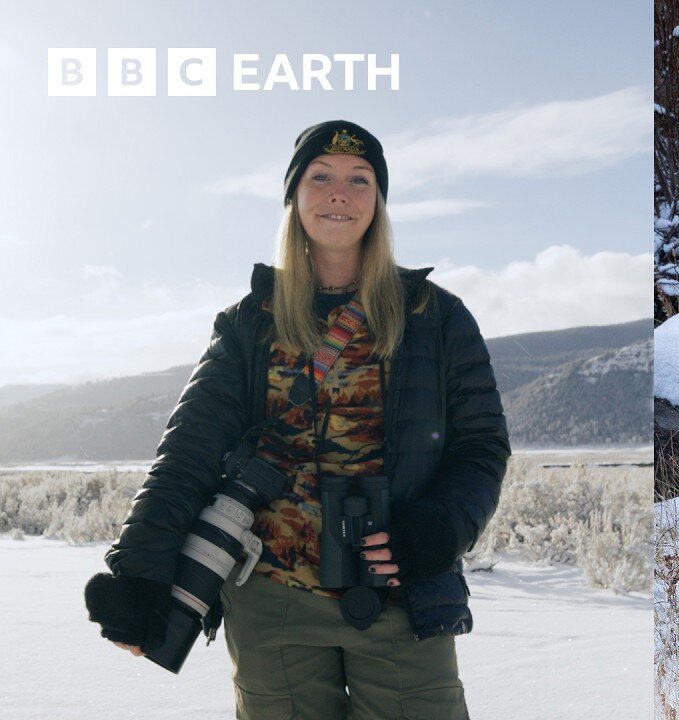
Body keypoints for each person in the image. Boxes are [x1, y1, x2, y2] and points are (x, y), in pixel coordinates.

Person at [83, 120, 509, 719]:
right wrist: (141, 573)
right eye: (321, 177)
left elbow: (482, 446)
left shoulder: (434, 317)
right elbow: (187, 454)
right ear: (295, 197)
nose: (341, 192)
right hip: (272, 605)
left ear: (379, 202)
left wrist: (440, 528)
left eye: (360, 180)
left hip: (401, 597)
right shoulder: (249, 323)